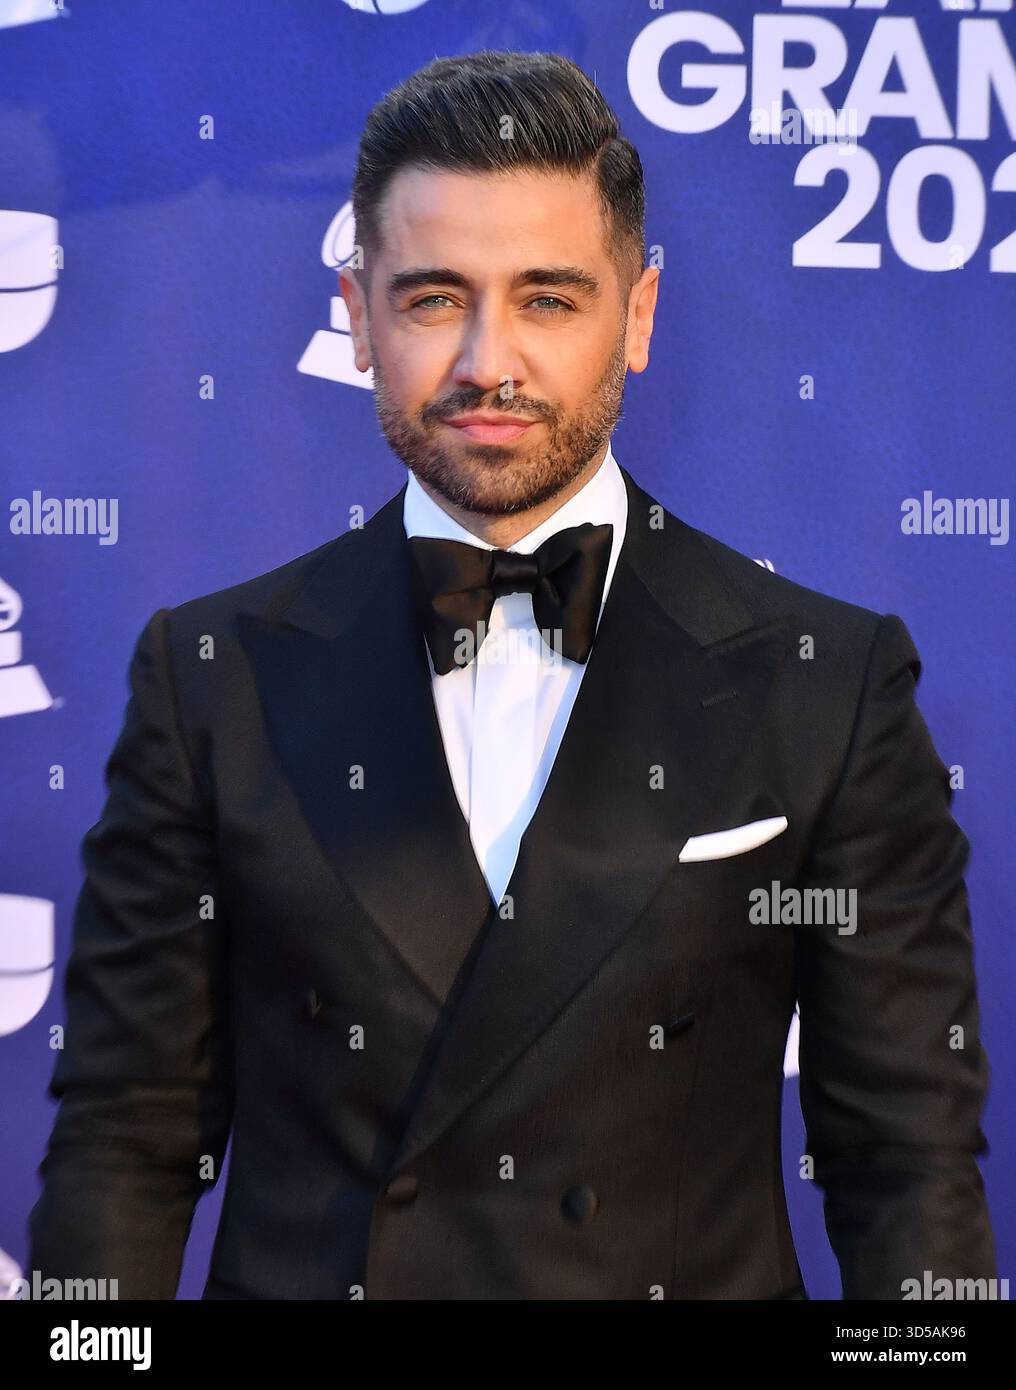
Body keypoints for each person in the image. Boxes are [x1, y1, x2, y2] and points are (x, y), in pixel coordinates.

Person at [29, 50, 995, 1300]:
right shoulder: (210, 675)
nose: (489, 360)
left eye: (547, 299)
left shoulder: (823, 680)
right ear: (358, 314)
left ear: (636, 318)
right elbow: (126, 1138)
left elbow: (903, 1163)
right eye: (434, 298)